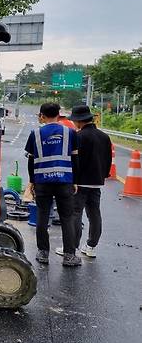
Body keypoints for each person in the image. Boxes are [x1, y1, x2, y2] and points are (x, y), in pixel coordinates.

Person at [25, 102, 81, 266]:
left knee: (43, 215)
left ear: (42, 115)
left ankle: (43, 253)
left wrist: (32, 181)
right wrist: (75, 180)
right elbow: (75, 159)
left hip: (42, 182)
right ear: (59, 114)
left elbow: (30, 161)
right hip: (64, 181)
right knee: (67, 217)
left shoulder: (35, 133)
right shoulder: (70, 132)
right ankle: (69, 256)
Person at [60, 105, 112, 258]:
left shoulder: (79, 136)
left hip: (80, 182)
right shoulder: (104, 136)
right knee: (94, 214)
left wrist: (71, 179)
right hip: (97, 182)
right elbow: (108, 159)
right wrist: (102, 175)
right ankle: (91, 247)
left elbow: (75, 160)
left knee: (75, 214)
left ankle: (72, 247)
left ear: (78, 121)